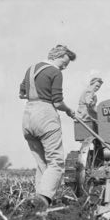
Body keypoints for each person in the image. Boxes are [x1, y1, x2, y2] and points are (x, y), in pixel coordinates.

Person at [19, 44, 78, 208]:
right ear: (56, 56)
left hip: (27, 117)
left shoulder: (30, 69)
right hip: (45, 115)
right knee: (56, 163)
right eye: (64, 63)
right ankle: (43, 200)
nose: (64, 68)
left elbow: (21, 93)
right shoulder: (55, 72)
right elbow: (58, 102)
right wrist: (68, 110)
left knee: (42, 164)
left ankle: (37, 203)